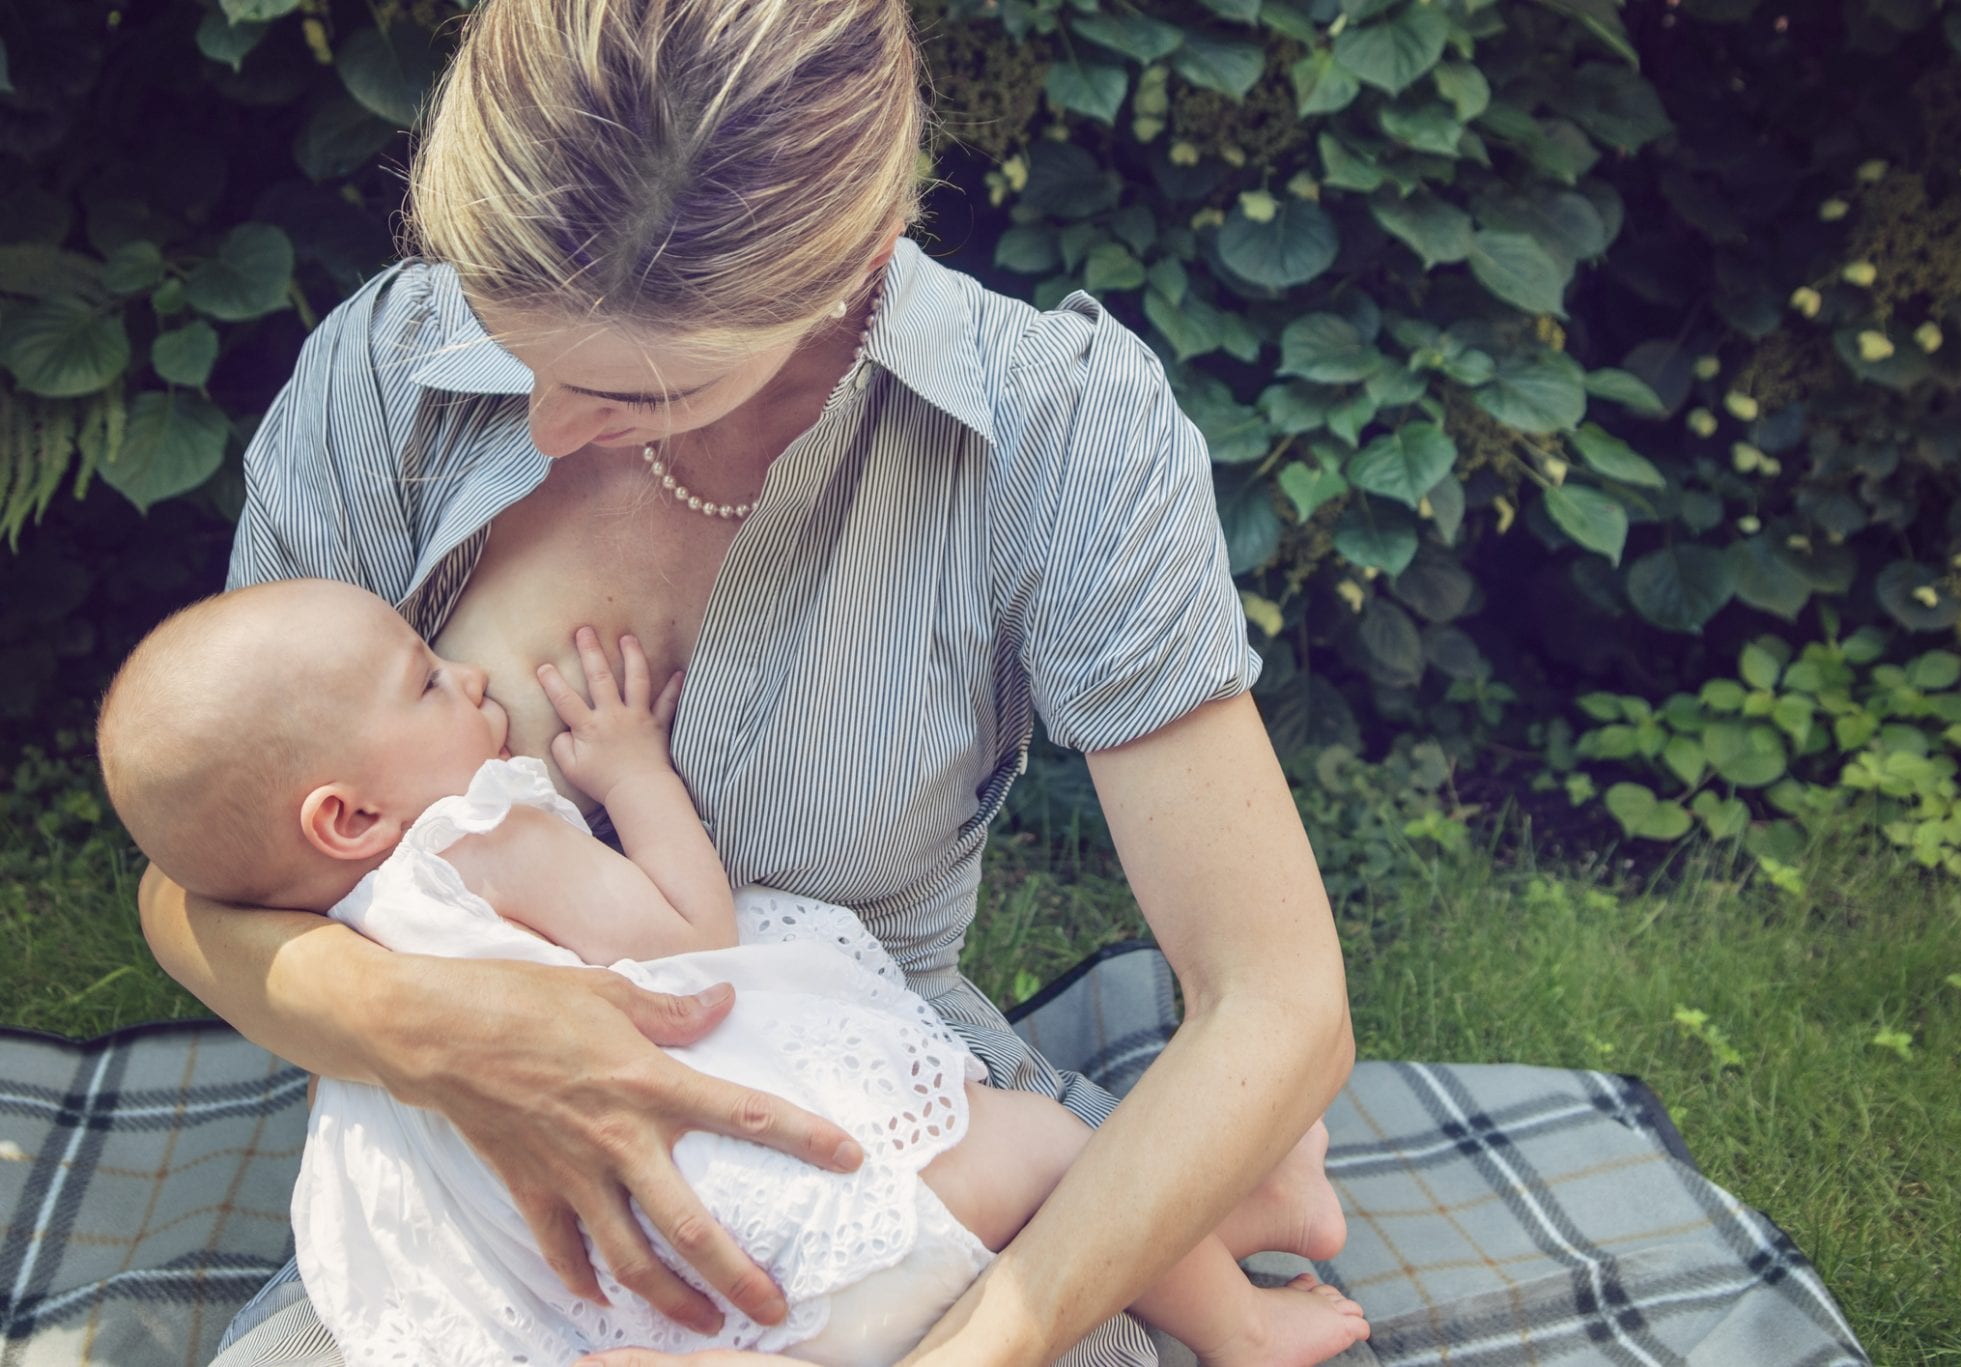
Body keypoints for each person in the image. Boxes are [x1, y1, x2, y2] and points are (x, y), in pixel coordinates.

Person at [138, 2, 1357, 1363]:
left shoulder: (1050, 431)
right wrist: (439, 1028)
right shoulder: (387, 367)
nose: (541, 423)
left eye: (639, 392)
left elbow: (1276, 999)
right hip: (482, 1200)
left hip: (859, 1129)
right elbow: (200, 878)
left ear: (858, 254)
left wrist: (971, 1350)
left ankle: (1210, 1187)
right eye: (509, 335)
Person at [99, 580, 1370, 1366]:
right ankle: (1244, 1326)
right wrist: (631, 771)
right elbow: (679, 929)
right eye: (427, 682)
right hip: (782, 1222)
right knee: (1038, 1149)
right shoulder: (472, 838)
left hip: (608, 1301)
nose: (468, 674)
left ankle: (1256, 1206)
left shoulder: (322, 915)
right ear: (346, 816)